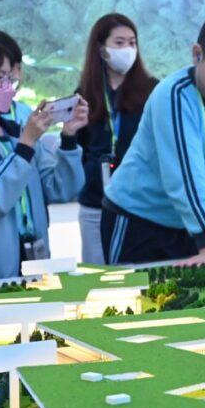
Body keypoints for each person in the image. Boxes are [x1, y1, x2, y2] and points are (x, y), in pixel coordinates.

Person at [102, 5, 205, 265]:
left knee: (186, 292)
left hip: (187, 224)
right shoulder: (174, 95)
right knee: (138, 291)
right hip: (137, 218)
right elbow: (184, 174)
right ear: (197, 54)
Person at [0, 34, 86, 281]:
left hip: (36, 262)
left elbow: (61, 189)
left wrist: (69, 137)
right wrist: (26, 144)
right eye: (0, 78)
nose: (9, 85)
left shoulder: (17, 132)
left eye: (10, 77)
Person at [73, 13, 155, 265]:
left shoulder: (152, 91)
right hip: (95, 203)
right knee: (98, 278)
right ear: (102, 49)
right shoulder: (84, 94)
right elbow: (79, 148)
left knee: (135, 275)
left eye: (132, 42)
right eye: (119, 43)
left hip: (138, 204)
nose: (128, 49)